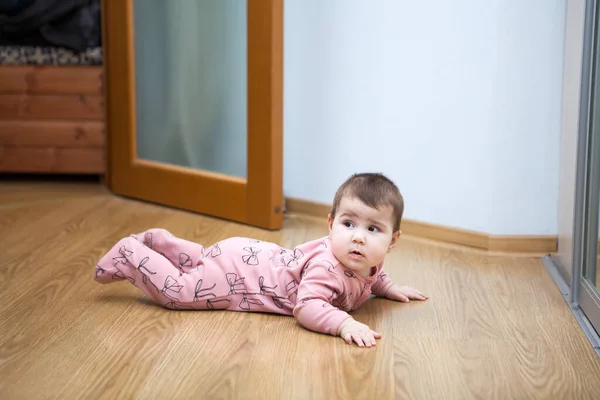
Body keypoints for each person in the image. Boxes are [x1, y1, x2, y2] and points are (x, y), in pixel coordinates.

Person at [93, 172, 428, 347]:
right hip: (238, 280)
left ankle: (160, 243)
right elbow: (307, 307)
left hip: (244, 254)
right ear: (330, 223)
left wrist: (388, 287)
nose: (358, 237)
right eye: (348, 224)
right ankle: (130, 254)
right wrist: (343, 323)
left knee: (203, 259)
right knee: (179, 292)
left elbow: (371, 275)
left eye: (373, 229)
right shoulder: (327, 268)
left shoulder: (366, 261)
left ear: (392, 241)